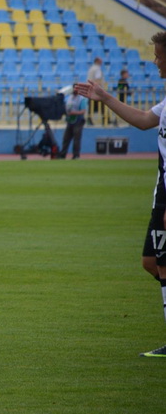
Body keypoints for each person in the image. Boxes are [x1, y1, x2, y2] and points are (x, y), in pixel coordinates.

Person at [76, 31, 166, 358]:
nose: (154, 61)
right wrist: (105, 98)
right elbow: (143, 120)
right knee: (151, 262)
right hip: (162, 193)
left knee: (163, 263)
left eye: (158, 56)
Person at [58, 83, 87, 159]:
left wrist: (74, 113)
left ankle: (76, 155)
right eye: (74, 88)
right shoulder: (69, 98)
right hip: (70, 120)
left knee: (76, 139)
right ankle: (63, 154)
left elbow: (83, 111)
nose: (75, 90)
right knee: (66, 138)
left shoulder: (82, 99)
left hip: (78, 121)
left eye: (77, 88)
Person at [85, 57, 105, 125]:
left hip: (90, 89)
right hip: (95, 90)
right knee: (102, 104)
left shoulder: (91, 68)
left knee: (91, 105)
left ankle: (89, 119)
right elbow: (97, 80)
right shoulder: (97, 69)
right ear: (97, 61)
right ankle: (105, 119)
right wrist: (99, 89)